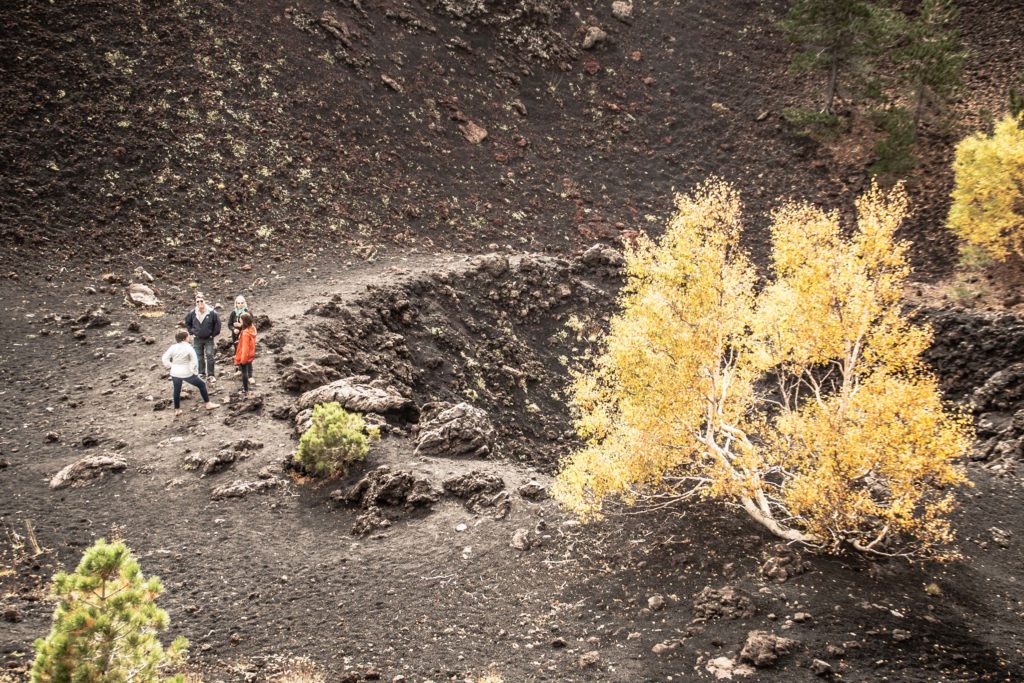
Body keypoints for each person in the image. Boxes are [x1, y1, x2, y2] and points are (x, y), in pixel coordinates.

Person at [161, 329, 220, 416]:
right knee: (202, 384)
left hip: (175, 372)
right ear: (185, 338)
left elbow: (164, 358)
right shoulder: (189, 347)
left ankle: (177, 410)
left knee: (177, 390)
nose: (189, 337)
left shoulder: (173, 347)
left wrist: (171, 366)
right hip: (186, 372)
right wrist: (194, 372)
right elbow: (194, 361)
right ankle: (208, 404)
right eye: (188, 336)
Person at [183, 292, 221, 381]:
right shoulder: (193, 313)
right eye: (197, 301)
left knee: (210, 355)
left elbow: (218, 324)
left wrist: (213, 334)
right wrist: (191, 332)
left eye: (201, 301)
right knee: (199, 356)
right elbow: (187, 322)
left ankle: (211, 375)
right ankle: (201, 373)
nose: (200, 303)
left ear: (204, 301)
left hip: (208, 338)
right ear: (195, 302)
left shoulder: (212, 312)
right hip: (197, 339)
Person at [228, 294, 255, 384]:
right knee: (238, 353)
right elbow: (229, 324)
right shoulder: (233, 313)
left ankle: (250, 375)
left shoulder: (248, 312)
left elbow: (251, 324)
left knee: (247, 355)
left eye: (242, 303)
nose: (240, 304)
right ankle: (240, 369)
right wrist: (233, 329)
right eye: (238, 303)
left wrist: (240, 326)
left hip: (246, 336)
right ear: (236, 304)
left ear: (245, 303)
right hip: (236, 336)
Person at [233, 312, 257, 394]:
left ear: (244, 321)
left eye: (240, 319)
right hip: (250, 354)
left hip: (245, 356)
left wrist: (242, 360)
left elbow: (245, 348)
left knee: (244, 373)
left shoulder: (245, 333)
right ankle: (245, 388)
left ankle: (245, 389)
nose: (239, 321)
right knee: (246, 372)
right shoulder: (252, 329)